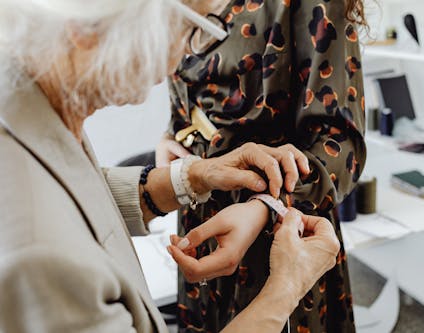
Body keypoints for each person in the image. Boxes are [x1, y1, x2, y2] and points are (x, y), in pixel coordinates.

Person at [0, 0, 340, 332]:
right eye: (187, 28)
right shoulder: (41, 258)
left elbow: (74, 196)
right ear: (88, 26)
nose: (185, 57)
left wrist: (191, 177)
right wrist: (286, 290)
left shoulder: (31, 115)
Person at [158, 0, 368, 332]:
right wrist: (171, 138)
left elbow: (343, 147)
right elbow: (192, 100)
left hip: (275, 228)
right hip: (200, 211)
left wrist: (265, 207)